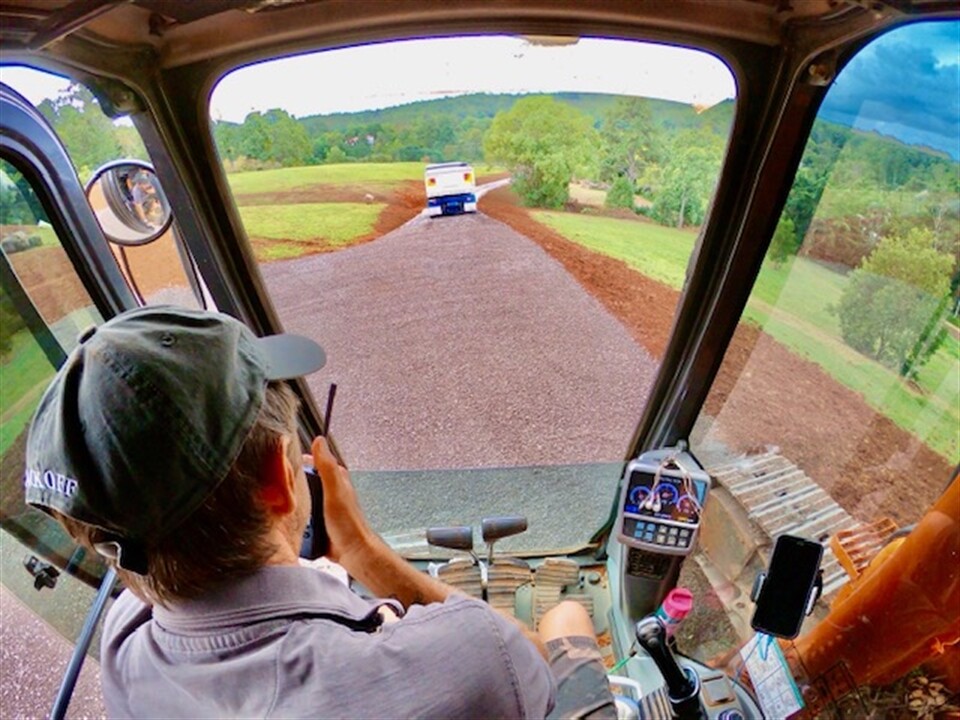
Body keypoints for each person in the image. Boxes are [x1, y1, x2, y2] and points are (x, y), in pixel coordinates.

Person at [24, 305, 616, 718]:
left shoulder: (125, 642)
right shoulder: (472, 655)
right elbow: (532, 676)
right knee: (563, 618)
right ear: (283, 479)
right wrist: (366, 553)